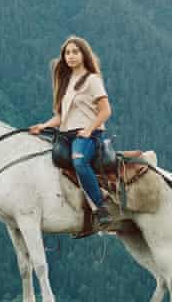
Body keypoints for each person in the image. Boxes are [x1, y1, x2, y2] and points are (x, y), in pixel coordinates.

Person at [30, 35, 114, 229]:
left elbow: (106, 111)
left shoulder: (92, 80)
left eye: (75, 52)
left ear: (84, 54)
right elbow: (61, 117)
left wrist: (89, 130)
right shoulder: (67, 82)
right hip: (65, 134)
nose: (71, 56)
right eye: (67, 53)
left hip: (87, 135)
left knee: (79, 161)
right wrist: (43, 126)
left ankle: (101, 208)